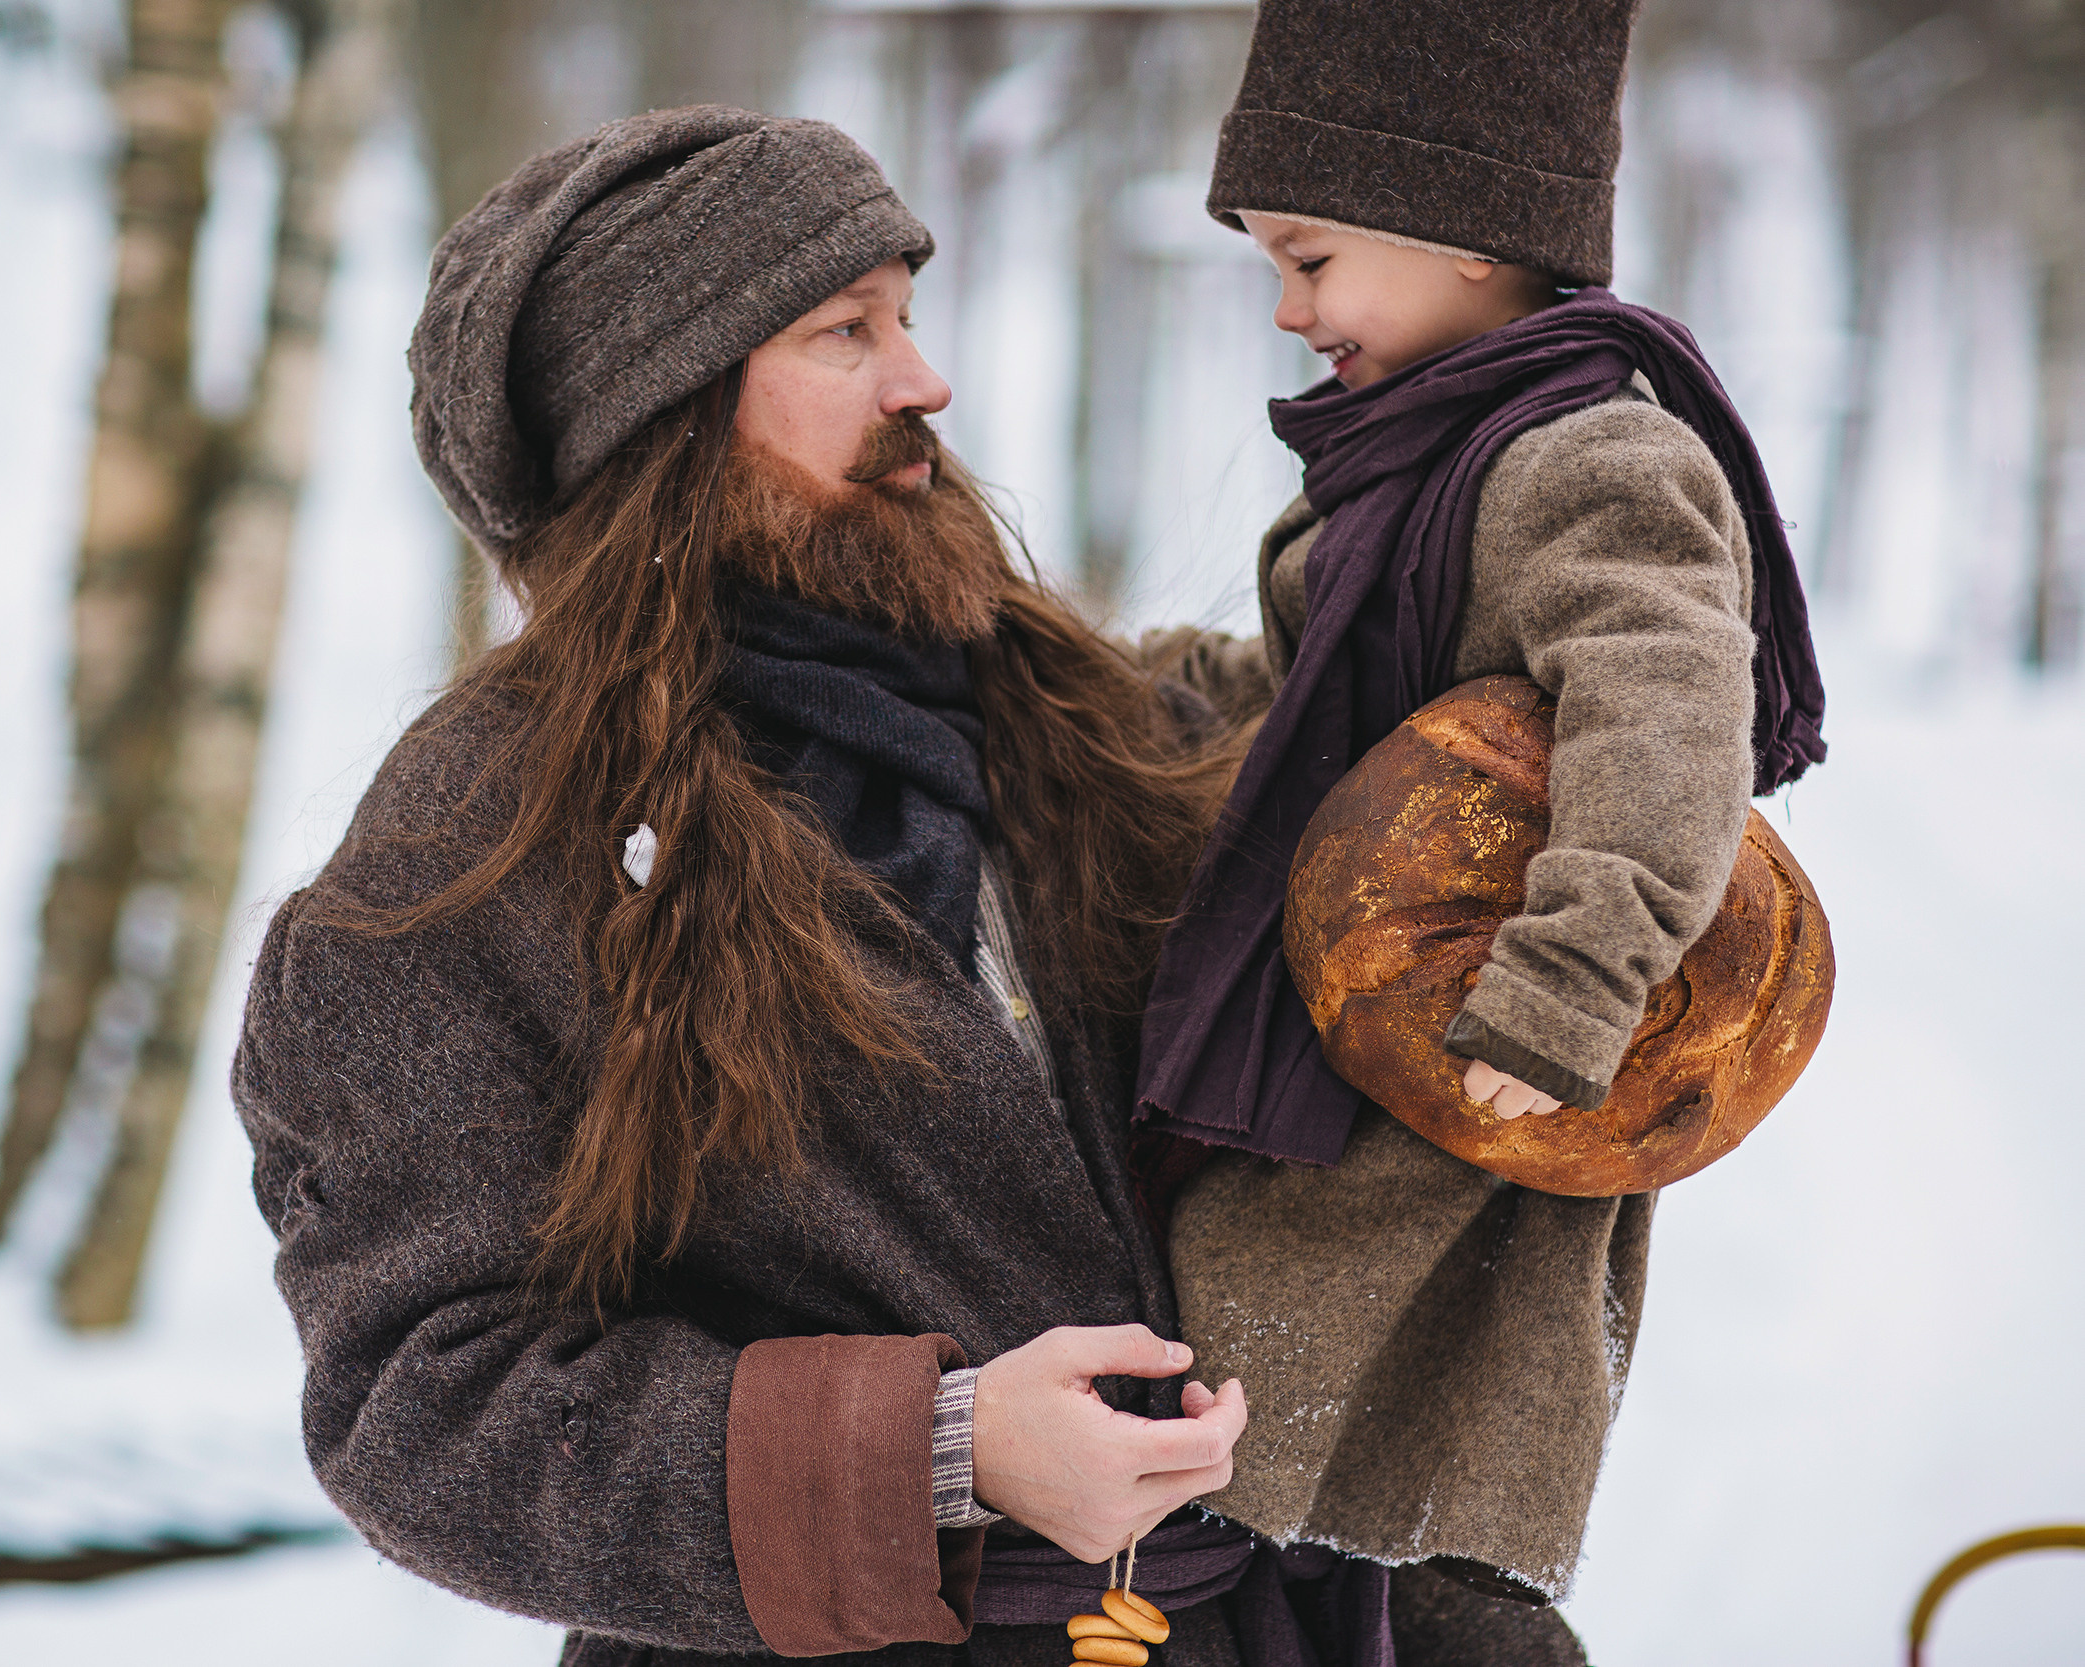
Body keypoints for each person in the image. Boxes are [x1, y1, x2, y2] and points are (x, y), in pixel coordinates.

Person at [234, 106, 1518, 1667]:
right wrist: (946, 1452)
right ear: (666, 418)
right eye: (846, 333)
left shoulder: (1067, 714)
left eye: (906, 316)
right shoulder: (468, 862)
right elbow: (422, 1405)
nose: (925, 381)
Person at [1132, 1, 1829, 1658]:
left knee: (1425, 1498)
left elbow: (1669, 713)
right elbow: (1320, 699)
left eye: (1309, 260)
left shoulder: (1587, 457)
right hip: (1370, 1044)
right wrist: (1133, 693)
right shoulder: (1426, 456)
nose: (1289, 310)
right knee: (1294, 1452)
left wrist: (1578, 974)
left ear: (1460, 232)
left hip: (1487, 1060)